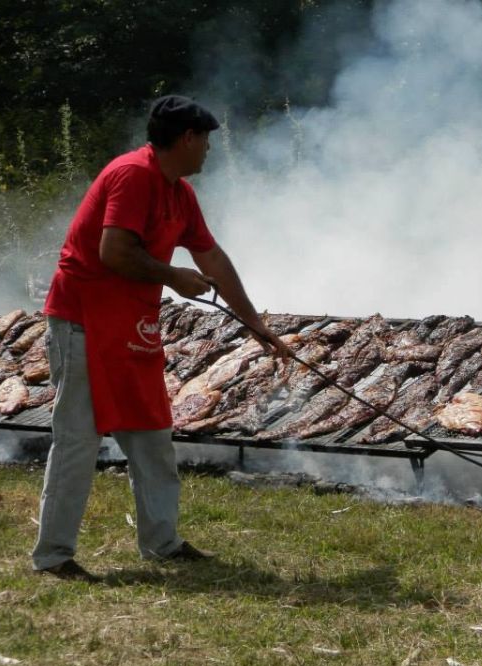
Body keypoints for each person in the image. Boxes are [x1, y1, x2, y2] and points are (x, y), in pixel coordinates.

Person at [33, 95, 290, 581]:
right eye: (207, 140)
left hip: (132, 325)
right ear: (187, 139)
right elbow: (113, 251)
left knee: (152, 437)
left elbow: (212, 259)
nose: (210, 150)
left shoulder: (179, 192)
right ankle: (52, 557)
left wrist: (257, 326)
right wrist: (173, 277)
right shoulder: (133, 175)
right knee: (78, 441)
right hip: (84, 319)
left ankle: (163, 543)